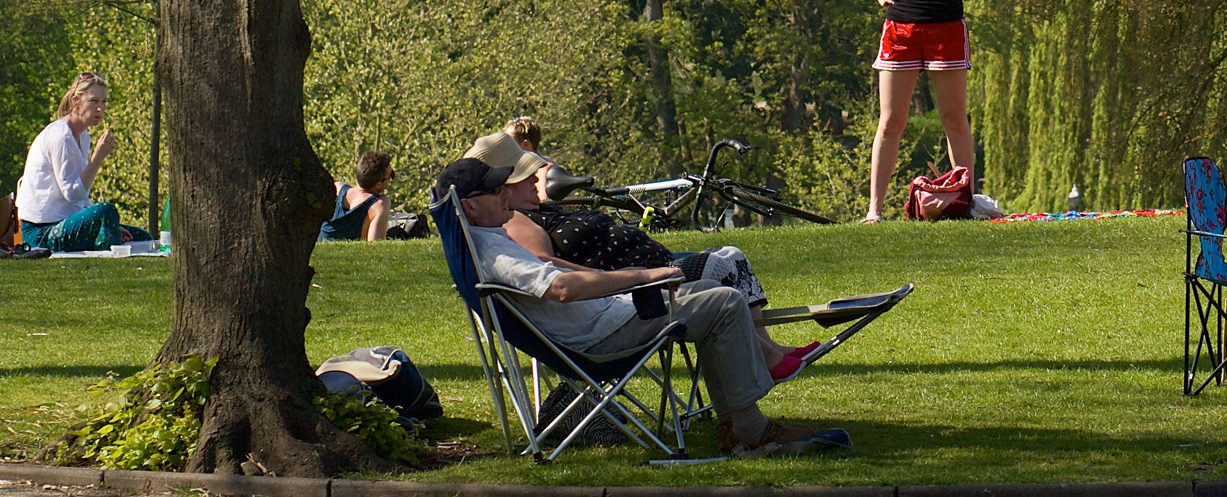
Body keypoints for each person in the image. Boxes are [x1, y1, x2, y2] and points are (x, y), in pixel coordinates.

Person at [437, 158, 849, 458]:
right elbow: (560, 289)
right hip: (599, 341)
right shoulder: (493, 253)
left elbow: (551, 270)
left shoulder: (489, 238)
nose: (504, 193)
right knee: (724, 301)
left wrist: (635, 276)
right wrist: (642, 276)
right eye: (494, 190)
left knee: (707, 287)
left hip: (608, 319)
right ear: (469, 206)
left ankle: (734, 424)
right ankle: (752, 429)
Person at [471, 133, 819, 380]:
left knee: (724, 268)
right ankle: (754, 402)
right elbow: (558, 279)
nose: (535, 181)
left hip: (619, 301)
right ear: (486, 195)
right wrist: (634, 278)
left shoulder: (507, 222)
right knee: (720, 286)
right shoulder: (508, 228)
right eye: (517, 179)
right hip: (611, 314)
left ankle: (763, 358)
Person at [861, 0, 977, 223]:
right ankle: (874, 211)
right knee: (891, 121)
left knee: (954, 119)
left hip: (945, 31)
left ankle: (964, 202)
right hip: (901, 30)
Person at [14, 72, 149, 251]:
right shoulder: (60, 136)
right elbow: (72, 193)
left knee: (142, 237)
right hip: (42, 232)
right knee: (106, 211)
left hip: (67, 221)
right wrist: (97, 158)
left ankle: (105, 243)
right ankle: (104, 254)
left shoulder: (83, 136)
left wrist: (109, 225)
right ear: (75, 102)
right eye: (93, 101)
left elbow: (82, 197)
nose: (100, 108)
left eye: (104, 102)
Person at [319, 151, 394, 241]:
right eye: (391, 175)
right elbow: (376, 246)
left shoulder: (336, 189)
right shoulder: (379, 204)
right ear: (378, 184)